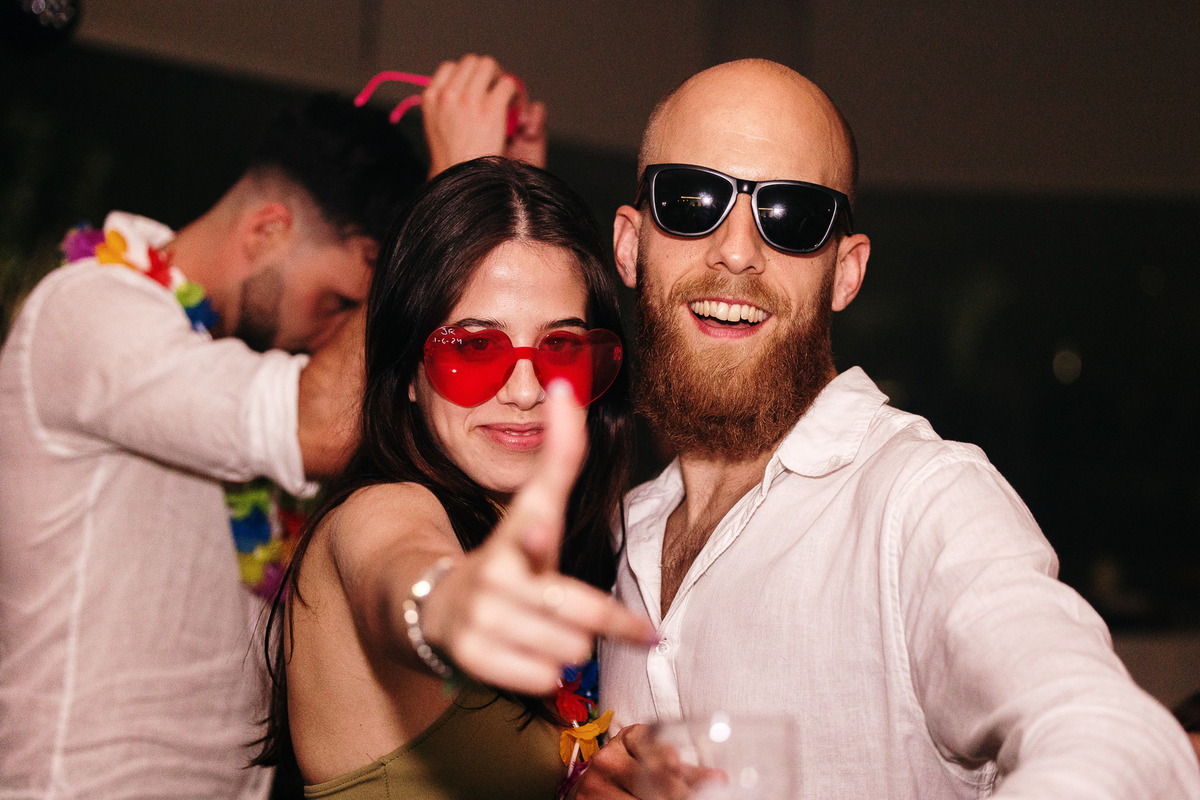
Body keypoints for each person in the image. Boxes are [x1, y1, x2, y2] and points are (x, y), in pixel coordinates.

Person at [567, 59, 1200, 798]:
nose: (737, 251)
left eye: (793, 216)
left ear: (846, 271)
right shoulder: (621, 533)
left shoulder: (922, 501)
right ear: (629, 244)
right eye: (690, 200)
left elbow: (1115, 736)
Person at [0, 54, 545, 800]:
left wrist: (503, 200)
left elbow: (445, 437)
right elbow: (321, 424)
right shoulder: (92, 308)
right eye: (339, 302)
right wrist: (450, 187)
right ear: (267, 229)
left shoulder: (237, 362)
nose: (340, 336)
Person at [254, 157, 655, 799]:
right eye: (474, 348)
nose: (524, 391)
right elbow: (397, 567)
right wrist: (442, 604)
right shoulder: (377, 511)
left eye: (560, 348)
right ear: (409, 374)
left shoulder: (573, 548)